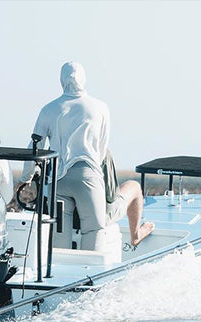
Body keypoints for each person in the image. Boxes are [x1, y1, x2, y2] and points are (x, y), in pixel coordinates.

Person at [19, 61, 153, 251]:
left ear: (61, 80)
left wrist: (25, 178)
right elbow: (102, 149)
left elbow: (35, 148)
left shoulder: (49, 109)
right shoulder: (100, 107)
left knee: (60, 239)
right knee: (93, 232)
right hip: (88, 178)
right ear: (83, 79)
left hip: (58, 181)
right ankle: (91, 268)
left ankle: (60, 269)